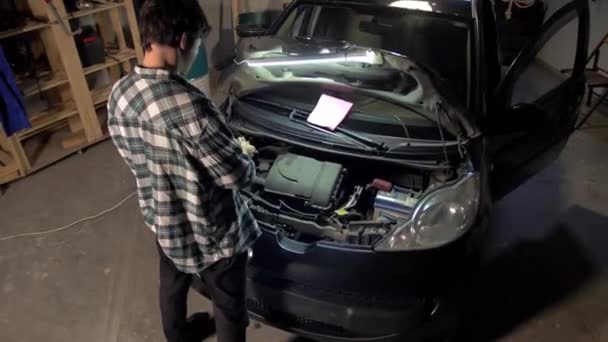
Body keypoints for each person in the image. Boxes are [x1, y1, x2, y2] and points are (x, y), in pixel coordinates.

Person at [106, 1, 259, 341]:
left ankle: (177, 335)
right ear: (185, 41)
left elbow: (132, 154)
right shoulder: (193, 108)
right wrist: (244, 154)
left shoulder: (120, 93)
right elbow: (238, 177)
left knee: (171, 286)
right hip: (214, 236)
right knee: (229, 306)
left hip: (164, 222)